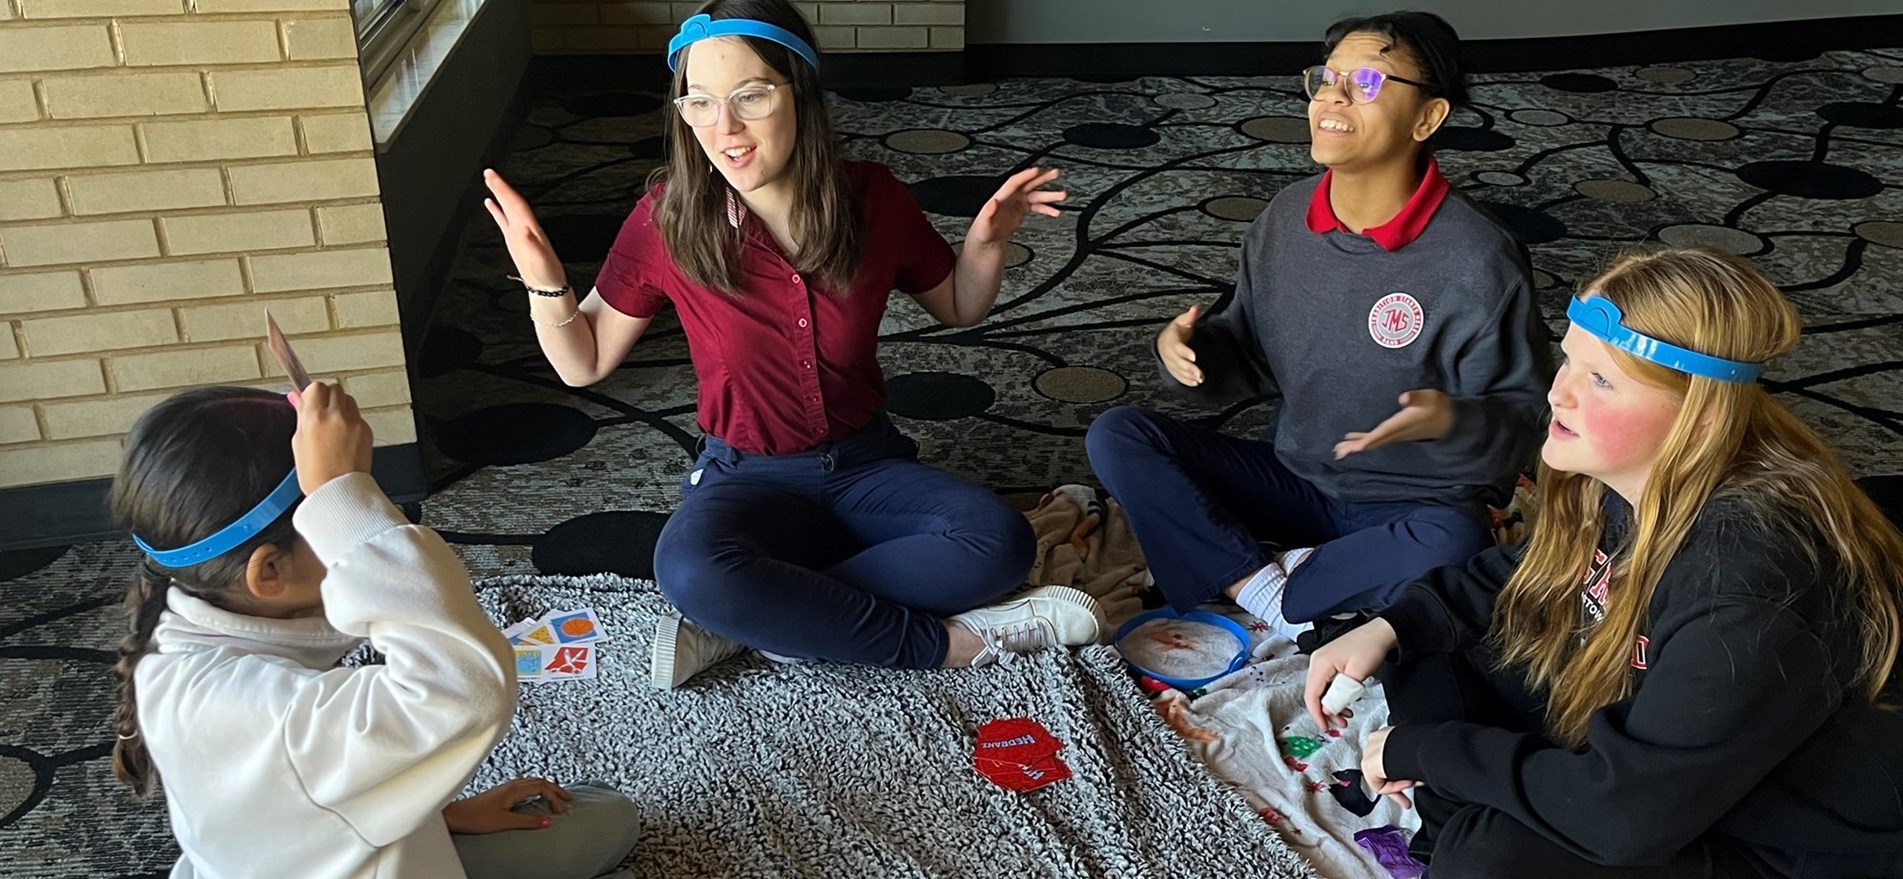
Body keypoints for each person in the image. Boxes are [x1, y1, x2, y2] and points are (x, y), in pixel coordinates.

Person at [481, 0, 1105, 690]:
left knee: (1001, 543)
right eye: (699, 103)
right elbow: (583, 361)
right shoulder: (667, 216)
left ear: (799, 93)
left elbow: (958, 304)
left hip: (867, 465)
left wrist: (987, 240)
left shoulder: (871, 196)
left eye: (750, 96)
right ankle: (944, 644)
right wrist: (545, 284)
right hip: (746, 476)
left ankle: (751, 617)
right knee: (687, 570)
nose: (724, 128)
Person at [1305, 248, 1903, 877]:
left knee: (1493, 859)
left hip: (1774, 838)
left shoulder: (1747, 589)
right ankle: (1461, 819)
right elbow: (1534, 571)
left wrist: (1428, 753)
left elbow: (1629, 819)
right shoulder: (1637, 473)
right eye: (1569, 360)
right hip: (1665, 760)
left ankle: (1463, 824)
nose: (1557, 393)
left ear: (1695, 419)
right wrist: (1392, 626)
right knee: (1429, 636)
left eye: (1601, 380)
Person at [1085, 11, 1552, 642]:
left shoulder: (1478, 258)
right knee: (1119, 435)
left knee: (1458, 542)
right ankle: (1274, 586)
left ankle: (1256, 578)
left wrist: (1450, 421)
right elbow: (1248, 354)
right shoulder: (1284, 220)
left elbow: (1523, 422)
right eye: (1325, 79)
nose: (1332, 95)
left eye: (1365, 82)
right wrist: (1193, 352)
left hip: (1414, 507)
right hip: (1298, 478)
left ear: (1427, 118)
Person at [110, 384, 640, 879]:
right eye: (336, 519)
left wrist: (441, 816)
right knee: (608, 817)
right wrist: (346, 504)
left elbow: (286, 808)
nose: (373, 521)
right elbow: (464, 687)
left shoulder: (170, 643)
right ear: (268, 572)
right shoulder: (275, 718)